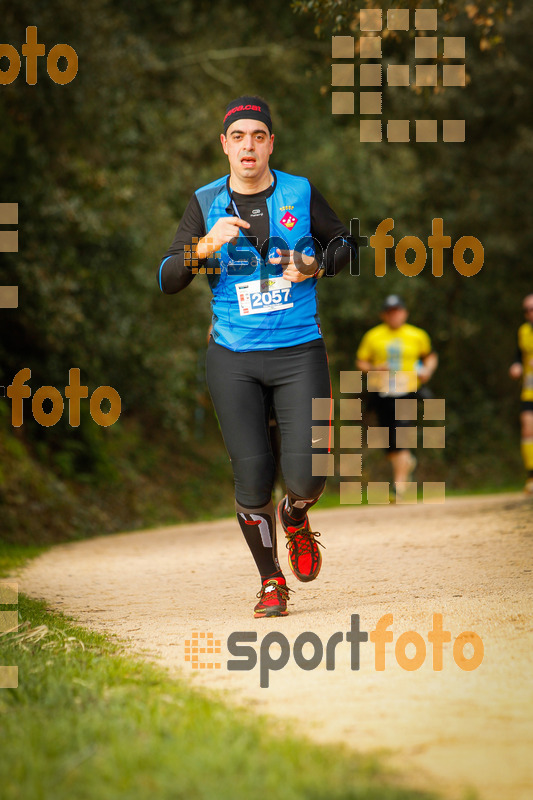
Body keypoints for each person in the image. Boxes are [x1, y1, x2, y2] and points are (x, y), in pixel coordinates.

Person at [157, 96, 356, 617]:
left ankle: (296, 515)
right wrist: (200, 247)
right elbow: (167, 279)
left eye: (258, 135)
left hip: (298, 352)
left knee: (310, 474)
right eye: (238, 136)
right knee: (251, 477)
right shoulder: (203, 203)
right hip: (234, 359)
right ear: (224, 144)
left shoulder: (300, 191)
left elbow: (346, 246)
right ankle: (271, 581)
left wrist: (315, 262)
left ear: (271, 143)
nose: (249, 145)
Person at [355, 295, 438, 500]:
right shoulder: (373, 336)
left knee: (401, 433)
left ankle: (398, 487)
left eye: (398, 311)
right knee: (389, 440)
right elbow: (361, 362)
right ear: (384, 315)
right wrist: (375, 368)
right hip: (382, 391)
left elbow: (430, 356)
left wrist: (427, 370)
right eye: (390, 312)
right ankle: (406, 463)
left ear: (405, 313)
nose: (394, 315)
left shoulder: (416, 334)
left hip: (407, 390)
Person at [509, 294, 533, 495]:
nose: (530, 313)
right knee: (527, 428)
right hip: (530, 389)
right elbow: (519, 354)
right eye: (527, 310)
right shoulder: (523, 331)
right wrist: (516, 365)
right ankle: (531, 476)